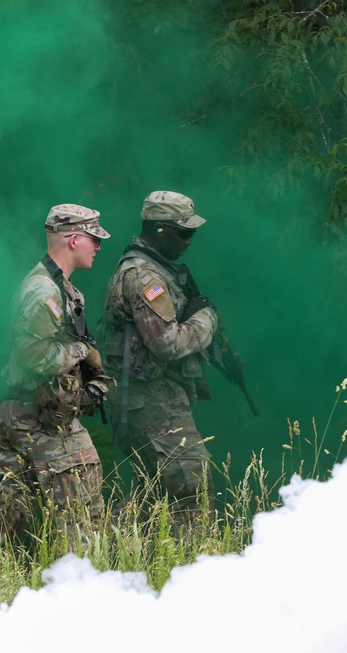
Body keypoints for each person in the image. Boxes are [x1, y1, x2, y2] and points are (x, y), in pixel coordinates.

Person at [0, 203, 111, 549]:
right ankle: (85, 578)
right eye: (94, 238)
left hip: (29, 413)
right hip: (42, 420)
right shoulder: (45, 292)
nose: (99, 246)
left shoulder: (57, 286)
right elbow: (32, 356)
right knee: (82, 507)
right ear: (73, 240)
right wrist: (82, 352)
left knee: (9, 508)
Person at [102, 190, 219, 532]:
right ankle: (192, 568)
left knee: (152, 493)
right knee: (190, 485)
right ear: (159, 230)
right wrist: (206, 320)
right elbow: (167, 344)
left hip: (151, 396)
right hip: (147, 397)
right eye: (183, 232)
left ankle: (102, 557)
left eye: (191, 233)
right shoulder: (144, 276)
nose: (188, 241)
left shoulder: (158, 270)